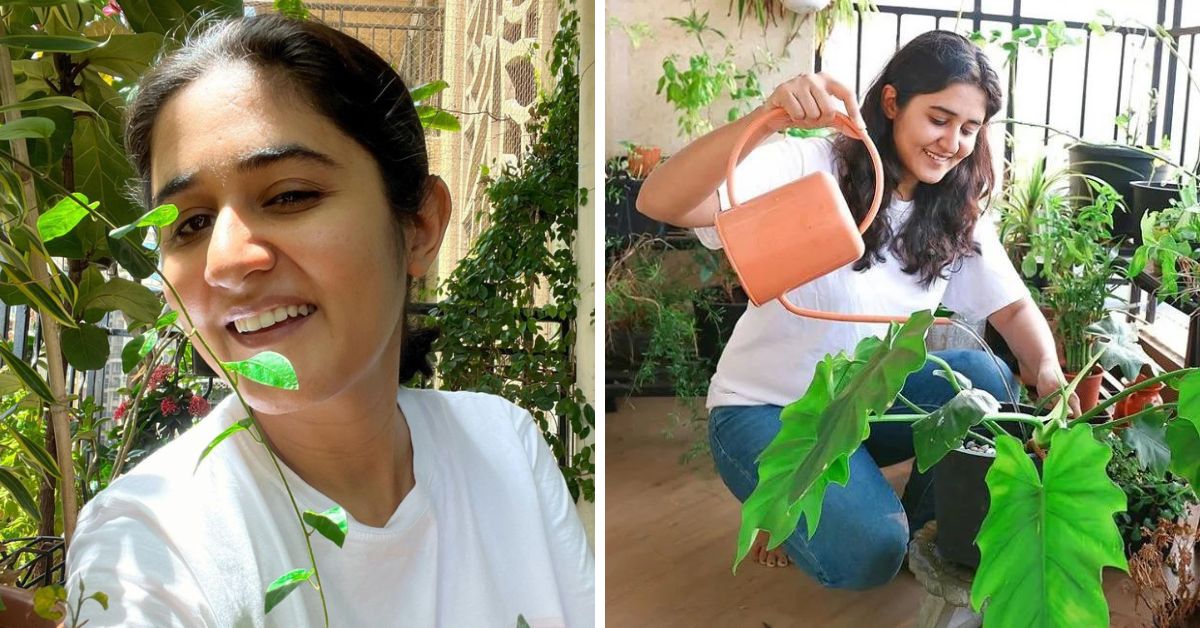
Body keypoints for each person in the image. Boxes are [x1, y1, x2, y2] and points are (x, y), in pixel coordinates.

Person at [65, 14, 594, 626]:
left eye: (289, 195)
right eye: (190, 224)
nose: (227, 261)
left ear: (419, 226)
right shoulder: (151, 543)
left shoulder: (505, 445)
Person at [637, 30, 1071, 589]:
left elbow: (1012, 310)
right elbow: (661, 201)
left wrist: (1050, 372)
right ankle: (798, 507)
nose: (953, 142)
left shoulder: (952, 211)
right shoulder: (811, 164)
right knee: (868, 556)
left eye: (969, 128)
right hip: (764, 412)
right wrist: (768, 118)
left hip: (861, 410)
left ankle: (906, 525)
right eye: (939, 119)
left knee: (983, 383)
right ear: (892, 103)